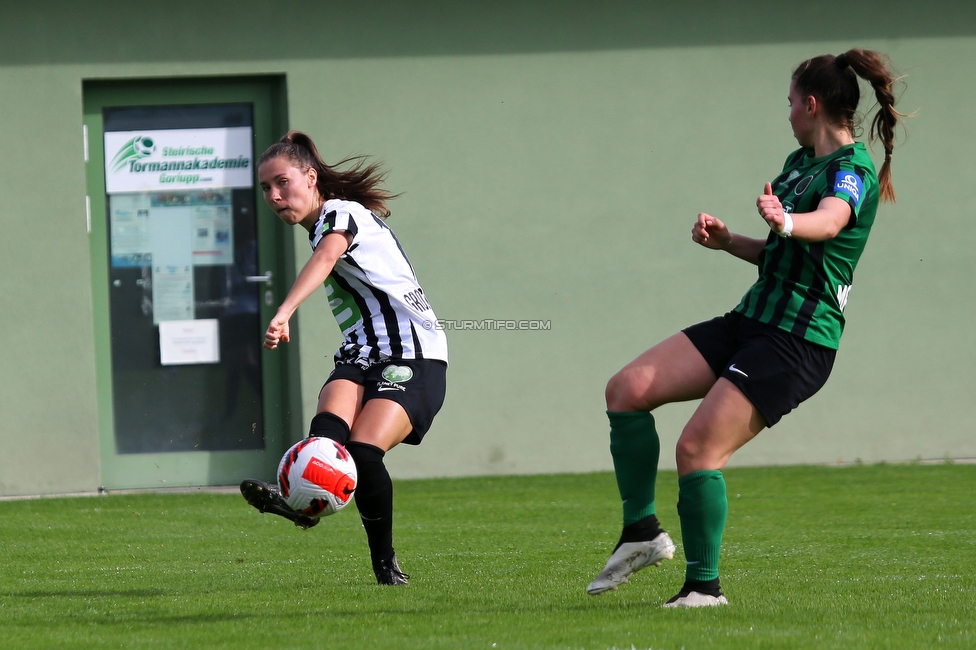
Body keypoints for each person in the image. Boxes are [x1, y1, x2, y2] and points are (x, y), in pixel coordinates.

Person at [586, 49, 906, 607]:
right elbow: (784, 252)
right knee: (627, 389)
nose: (786, 113)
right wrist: (731, 241)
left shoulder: (850, 172)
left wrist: (786, 218)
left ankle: (704, 590)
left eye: (789, 103)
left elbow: (828, 221)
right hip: (753, 319)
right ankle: (640, 533)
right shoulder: (798, 161)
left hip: (797, 340)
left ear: (811, 104)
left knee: (697, 449)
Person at [240, 131, 448, 586]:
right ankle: (302, 502)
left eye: (282, 183)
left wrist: (284, 310)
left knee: (361, 454)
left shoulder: (340, 213)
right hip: (360, 353)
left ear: (311, 177)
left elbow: (327, 255)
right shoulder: (321, 221)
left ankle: (386, 569)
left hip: (412, 354)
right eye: (265, 189)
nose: (274, 196)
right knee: (323, 447)